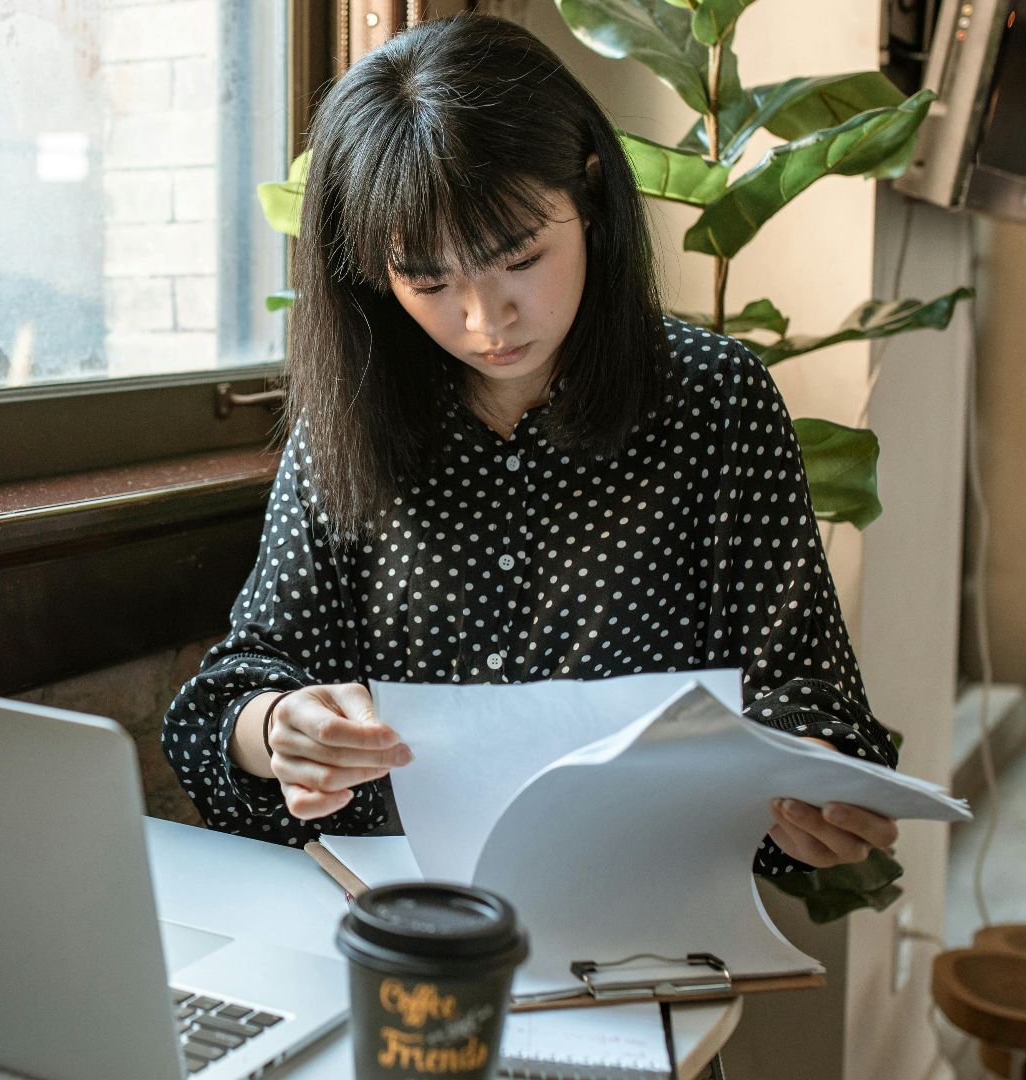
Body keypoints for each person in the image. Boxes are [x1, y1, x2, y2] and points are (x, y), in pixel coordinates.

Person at [161, 14, 899, 877]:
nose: (485, 319)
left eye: (519, 256)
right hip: (400, 913)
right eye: (428, 281)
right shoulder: (353, 417)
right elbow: (232, 692)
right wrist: (276, 729)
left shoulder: (714, 400)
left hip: (643, 906)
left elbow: (809, 689)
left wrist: (809, 778)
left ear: (588, 189)